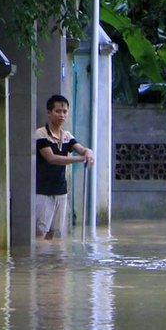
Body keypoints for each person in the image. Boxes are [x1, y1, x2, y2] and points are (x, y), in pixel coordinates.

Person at [35, 94, 94, 239]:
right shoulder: (41, 134)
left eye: (65, 111)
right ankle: (40, 261)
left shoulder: (67, 136)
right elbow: (51, 158)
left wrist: (88, 152)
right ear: (49, 113)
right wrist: (80, 159)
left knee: (54, 234)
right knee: (40, 233)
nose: (62, 115)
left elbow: (81, 148)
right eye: (58, 111)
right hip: (43, 191)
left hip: (61, 191)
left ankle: (54, 262)